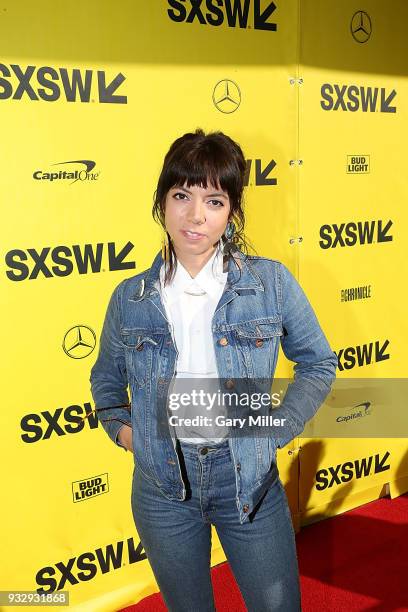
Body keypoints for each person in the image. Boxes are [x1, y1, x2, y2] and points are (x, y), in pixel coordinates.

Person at [89, 129, 338, 611]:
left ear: (232, 211)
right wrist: (126, 432)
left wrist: (276, 428)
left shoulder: (270, 284)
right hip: (162, 485)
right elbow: (105, 379)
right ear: (162, 201)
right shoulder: (130, 298)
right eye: (182, 195)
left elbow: (318, 362)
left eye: (214, 200)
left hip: (248, 477)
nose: (195, 215)